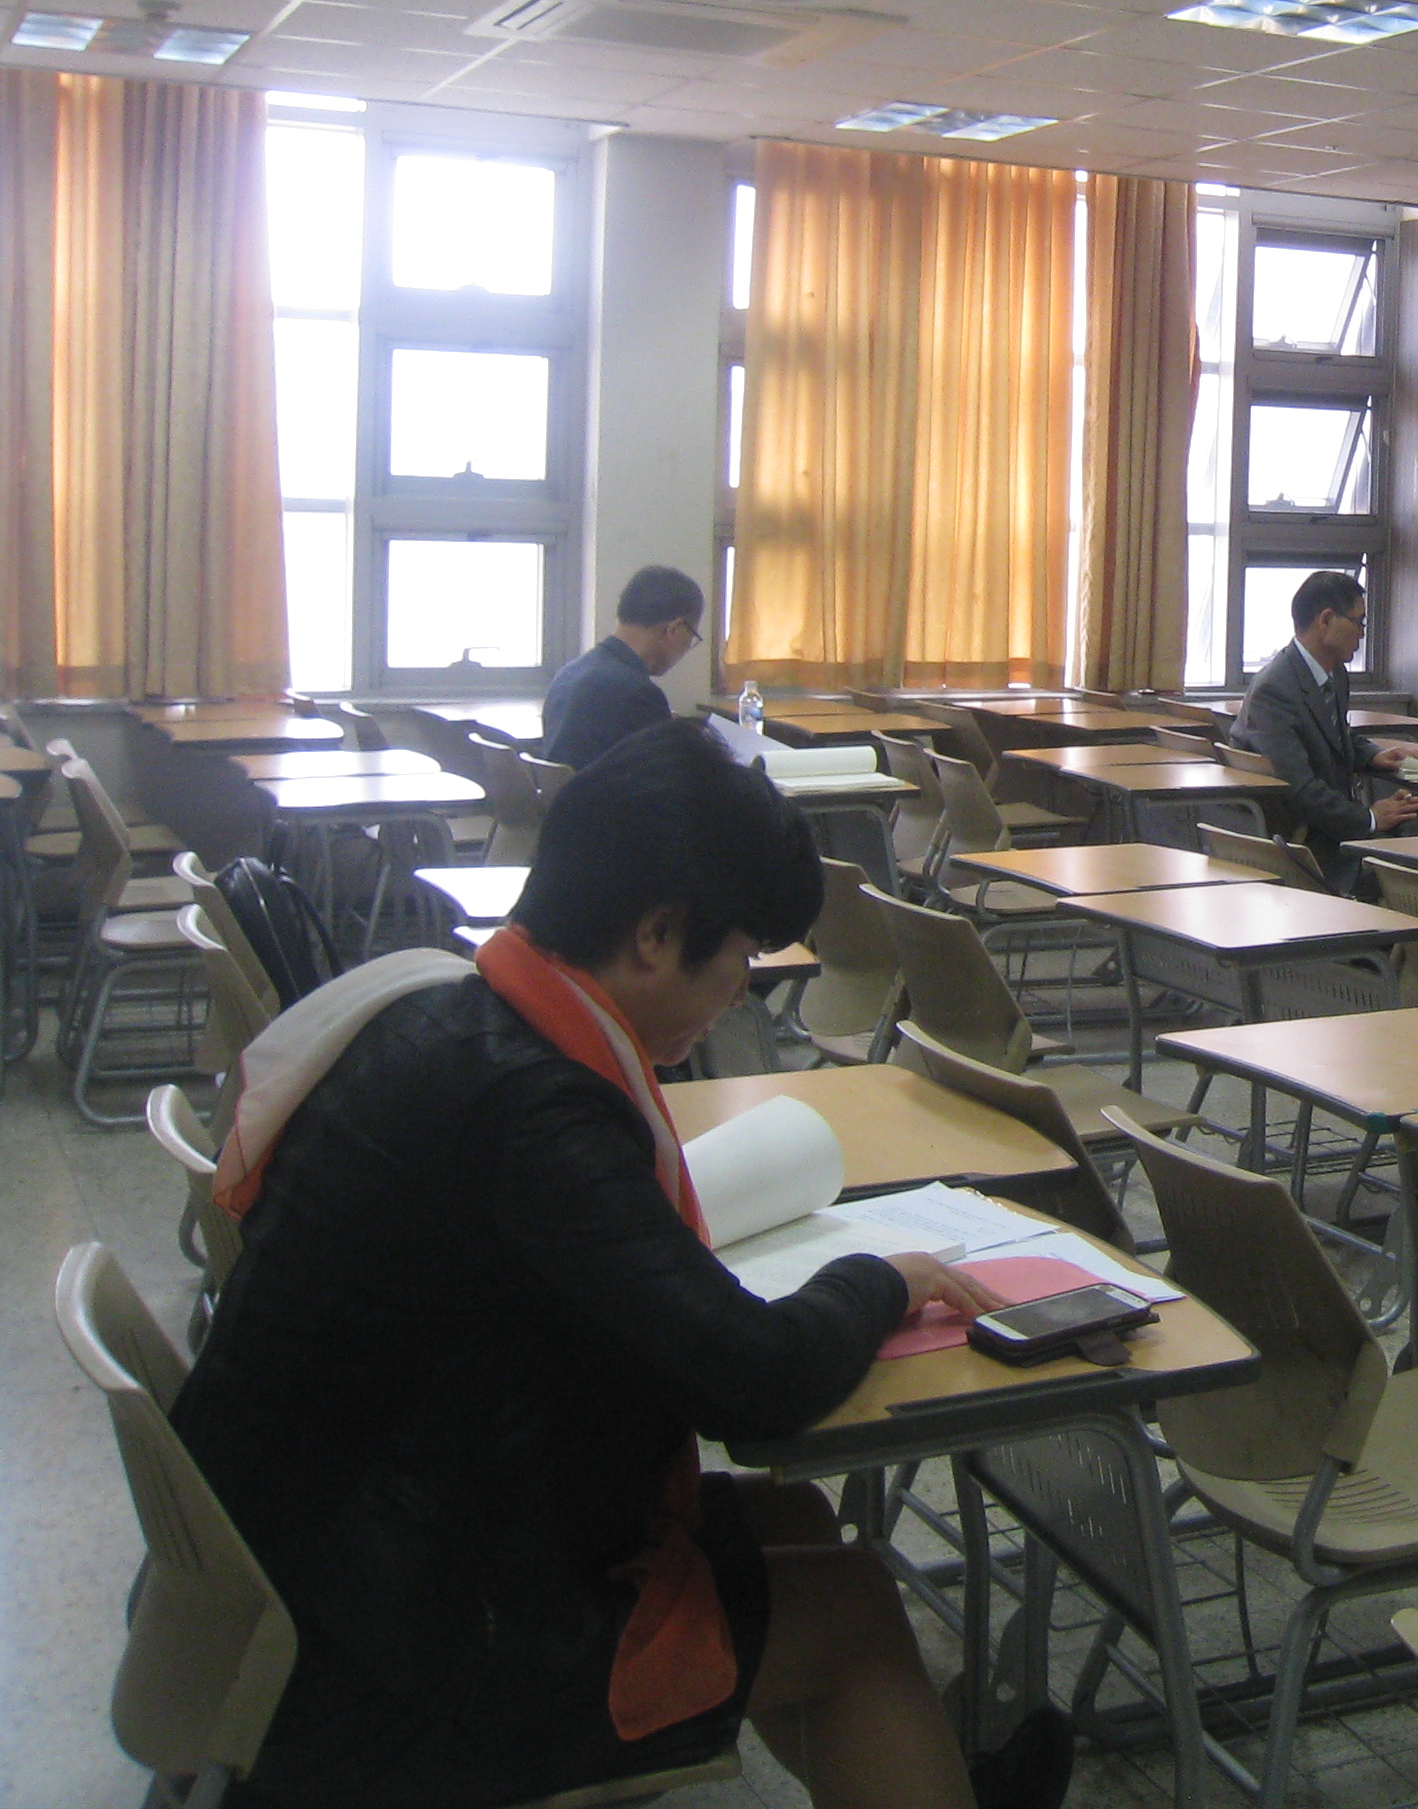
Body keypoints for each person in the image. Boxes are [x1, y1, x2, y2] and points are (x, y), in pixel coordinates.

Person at [172, 724, 1068, 1809]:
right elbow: (754, 1380)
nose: (742, 989)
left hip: (331, 1551)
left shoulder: (454, 1013)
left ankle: (927, 1780)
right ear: (656, 933)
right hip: (383, 1661)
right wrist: (881, 1280)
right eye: (741, 956)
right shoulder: (537, 1110)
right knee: (855, 1617)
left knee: (790, 1522)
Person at [1235, 569, 1418, 894]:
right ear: (1326, 619)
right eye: (1358, 622)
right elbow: (1298, 790)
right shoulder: (1274, 690)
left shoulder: (1332, 673)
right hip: (1314, 843)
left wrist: (1374, 755)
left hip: (1334, 821)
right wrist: (1369, 818)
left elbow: (1334, 736)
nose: (1362, 633)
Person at [543, 563, 707, 770]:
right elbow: (667, 778)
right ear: (675, 629)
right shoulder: (636, 692)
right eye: (691, 638)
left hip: (573, 790)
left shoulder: (570, 673)